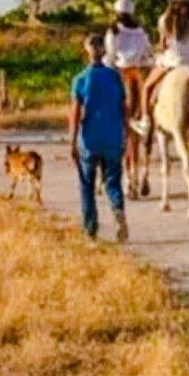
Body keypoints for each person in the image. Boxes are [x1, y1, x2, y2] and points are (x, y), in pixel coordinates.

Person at [70, 33, 129, 241]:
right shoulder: (114, 77)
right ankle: (118, 211)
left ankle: (90, 228)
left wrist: (72, 142)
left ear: (86, 51)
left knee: (87, 183)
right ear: (103, 50)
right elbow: (124, 108)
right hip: (112, 137)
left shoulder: (80, 79)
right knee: (112, 181)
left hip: (89, 140)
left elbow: (76, 114)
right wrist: (126, 134)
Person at [136, 0, 189, 137]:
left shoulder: (165, 19)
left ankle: (145, 122)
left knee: (146, 87)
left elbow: (163, 45)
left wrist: (155, 50)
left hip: (172, 61)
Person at [104, 0, 152, 130]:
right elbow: (147, 51)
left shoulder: (113, 31)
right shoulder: (141, 31)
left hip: (122, 66)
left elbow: (111, 54)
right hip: (140, 65)